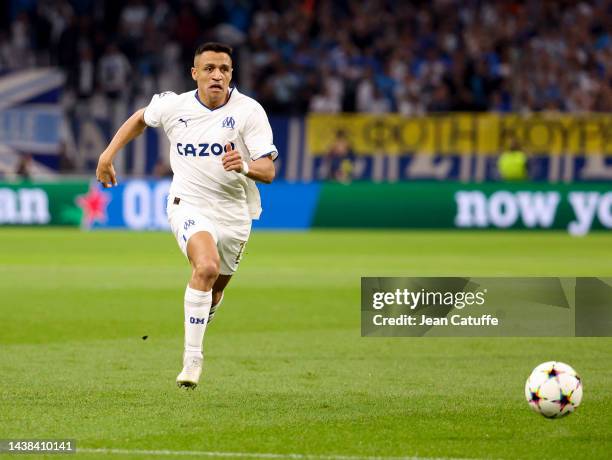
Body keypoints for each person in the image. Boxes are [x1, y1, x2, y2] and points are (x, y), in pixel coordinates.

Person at [95, 42, 277, 389]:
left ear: (231, 74)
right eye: (209, 68)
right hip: (188, 203)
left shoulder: (249, 112)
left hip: (235, 212)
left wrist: (245, 166)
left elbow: (268, 170)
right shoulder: (173, 105)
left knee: (215, 289)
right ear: (195, 74)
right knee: (205, 267)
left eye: (224, 69)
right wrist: (107, 155)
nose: (217, 75)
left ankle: (201, 312)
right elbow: (139, 119)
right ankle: (192, 360)